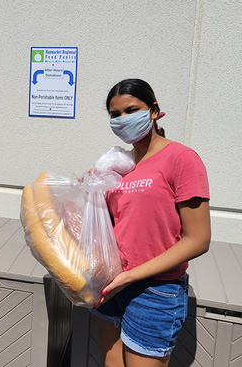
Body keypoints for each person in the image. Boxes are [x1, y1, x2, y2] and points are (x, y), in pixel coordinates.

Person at [91, 78, 211, 367]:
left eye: (131, 110)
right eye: (115, 114)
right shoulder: (117, 165)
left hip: (154, 291)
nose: (123, 119)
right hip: (111, 282)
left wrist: (129, 277)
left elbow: (198, 240)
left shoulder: (181, 158)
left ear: (154, 111)